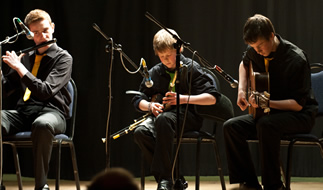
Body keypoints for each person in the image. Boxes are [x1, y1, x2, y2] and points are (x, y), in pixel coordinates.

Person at [0, 9, 73, 190]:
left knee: (42, 124)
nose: (42, 36)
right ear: (29, 35)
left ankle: (41, 185)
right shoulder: (26, 57)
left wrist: (20, 68)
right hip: (24, 113)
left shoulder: (64, 58)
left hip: (53, 113)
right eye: (36, 33)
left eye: (45, 30)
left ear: (52, 27)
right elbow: (5, 92)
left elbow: (45, 91)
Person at [223, 14, 318, 190]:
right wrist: (241, 91)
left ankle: (273, 186)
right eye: (253, 47)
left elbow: (297, 104)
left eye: (260, 46)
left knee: (266, 125)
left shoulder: (296, 59)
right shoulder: (255, 52)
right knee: (231, 127)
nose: (257, 50)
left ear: (272, 36)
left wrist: (267, 103)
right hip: (269, 114)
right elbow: (244, 64)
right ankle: (249, 183)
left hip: (299, 115)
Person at [132, 28, 220, 190]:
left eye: (168, 55)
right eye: (161, 56)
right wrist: (150, 106)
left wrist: (183, 99)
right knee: (140, 132)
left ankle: (165, 180)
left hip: (189, 117)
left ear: (179, 49)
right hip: (163, 119)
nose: (165, 60)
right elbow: (138, 99)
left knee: (164, 120)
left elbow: (212, 98)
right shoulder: (156, 72)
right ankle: (175, 177)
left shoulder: (192, 68)